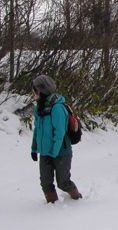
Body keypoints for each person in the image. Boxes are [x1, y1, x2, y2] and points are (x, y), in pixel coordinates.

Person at [31, 74, 82, 203]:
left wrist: (53, 152)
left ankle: (78, 200)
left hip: (61, 152)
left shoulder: (57, 107)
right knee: (45, 182)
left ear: (41, 90)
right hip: (45, 151)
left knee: (63, 182)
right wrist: (34, 148)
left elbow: (59, 132)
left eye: (35, 90)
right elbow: (37, 129)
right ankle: (52, 207)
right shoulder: (39, 108)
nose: (33, 93)